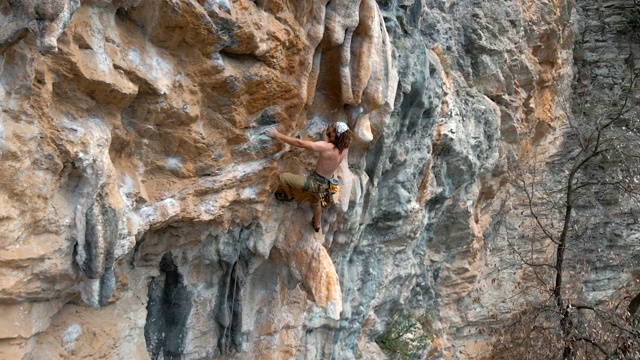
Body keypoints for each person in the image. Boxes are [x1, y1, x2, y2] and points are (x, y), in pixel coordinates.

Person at [266, 122, 353, 232]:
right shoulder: (343, 148)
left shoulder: (326, 147)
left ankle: (289, 196)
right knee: (316, 202)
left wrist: (277, 134)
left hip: (314, 183)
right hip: (325, 184)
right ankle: (317, 225)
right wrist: (326, 134)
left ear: (335, 134)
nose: (330, 126)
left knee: (283, 178)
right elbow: (329, 147)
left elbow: (300, 143)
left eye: (332, 127)